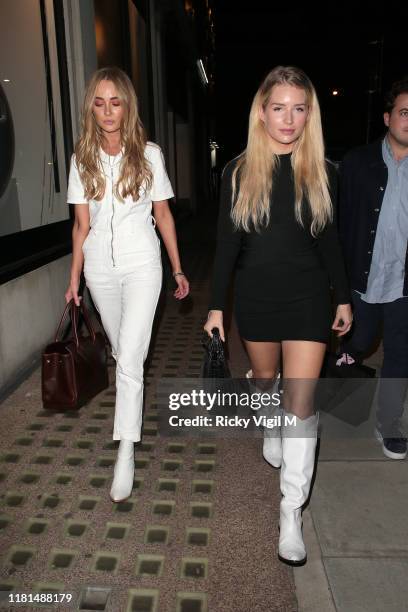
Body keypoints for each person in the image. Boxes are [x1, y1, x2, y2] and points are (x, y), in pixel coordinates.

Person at [204, 66, 352, 566]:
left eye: (299, 108)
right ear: (261, 111)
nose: (288, 119)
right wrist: (216, 308)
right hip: (257, 298)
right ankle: (270, 423)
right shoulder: (237, 172)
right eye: (278, 107)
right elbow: (226, 247)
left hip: (309, 298)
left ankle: (291, 510)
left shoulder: (325, 170)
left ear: (309, 113)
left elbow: (332, 242)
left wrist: (343, 298)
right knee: (266, 382)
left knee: (302, 400)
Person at [65, 67, 189, 503]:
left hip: (142, 265)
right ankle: (128, 428)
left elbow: (164, 214)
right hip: (100, 268)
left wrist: (176, 268)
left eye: (115, 101)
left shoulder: (149, 154)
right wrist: (74, 277)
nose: (107, 111)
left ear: (127, 105)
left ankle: (125, 451)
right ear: (91, 108)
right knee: (121, 353)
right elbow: (81, 226)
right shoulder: (82, 157)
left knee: (132, 358)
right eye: (99, 103)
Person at [339, 77, 408, 460]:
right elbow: (336, 222)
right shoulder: (356, 163)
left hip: (404, 284)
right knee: (357, 344)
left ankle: (388, 424)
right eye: (404, 112)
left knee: (400, 353)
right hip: (362, 280)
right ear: (387, 117)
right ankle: (331, 381)